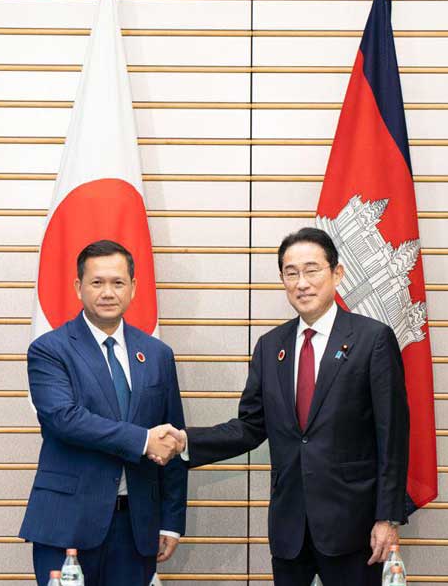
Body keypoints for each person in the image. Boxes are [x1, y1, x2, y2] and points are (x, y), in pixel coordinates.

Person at [171, 227, 409, 586]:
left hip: (354, 525)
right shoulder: (271, 346)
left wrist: (387, 517)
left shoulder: (371, 339)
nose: (302, 283)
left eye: (312, 270)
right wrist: (185, 441)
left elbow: (392, 435)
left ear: (337, 274)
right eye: (291, 273)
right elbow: (250, 427)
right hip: (290, 527)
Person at [19, 240, 187, 586]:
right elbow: (64, 418)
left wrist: (171, 520)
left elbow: (172, 438)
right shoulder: (50, 350)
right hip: (67, 524)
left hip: (136, 527)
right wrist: (143, 440)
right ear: (78, 287)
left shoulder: (157, 354)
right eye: (97, 282)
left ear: (133, 288)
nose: (108, 292)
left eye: (118, 282)